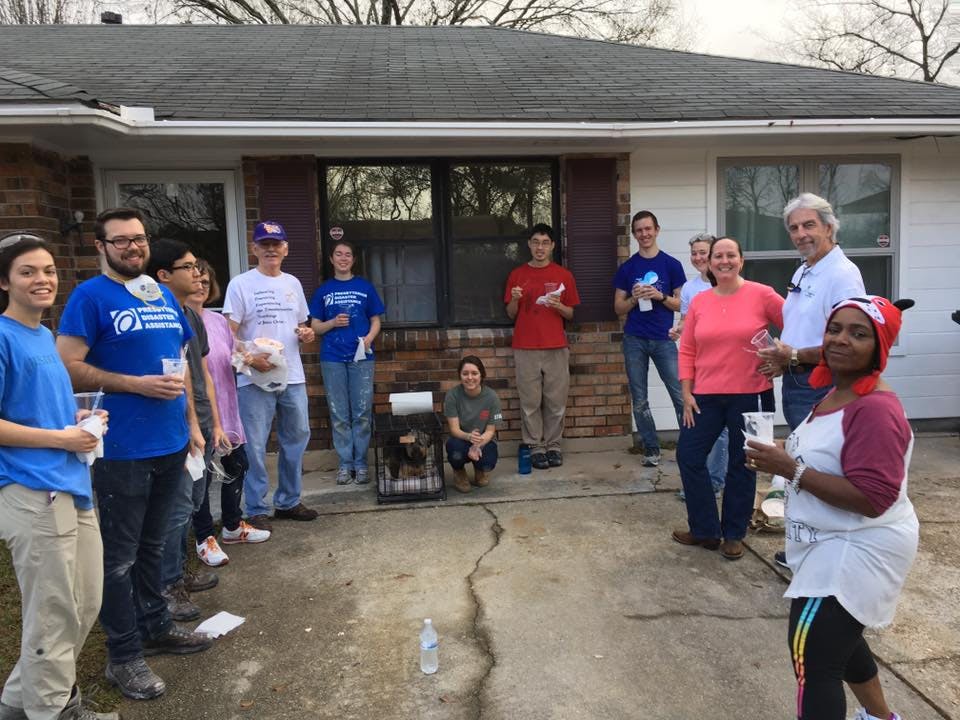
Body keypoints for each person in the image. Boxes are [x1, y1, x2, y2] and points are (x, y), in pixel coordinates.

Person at [56, 208, 212, 702]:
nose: (133, 248)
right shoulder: (88, 298)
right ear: (101, 246)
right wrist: (133, 385)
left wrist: (191, 424)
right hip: (121, 448)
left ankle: (156, 626)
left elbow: (181, 364)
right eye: (121, 241)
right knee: (118, 558)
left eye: (139, 239)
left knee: (154, 546)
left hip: (170, 442)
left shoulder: (162, 293)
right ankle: (122, 656)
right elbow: (69, 366)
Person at [746, 296, 917, 720]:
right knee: (841, 641)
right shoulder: (838, 393)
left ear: (880, 348)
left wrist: (792, 469)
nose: (841, 339)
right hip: (829, 544)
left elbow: (874, 499)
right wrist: (784, 453)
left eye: (859, 333)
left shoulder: (875, 409)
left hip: (855, 547)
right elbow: (828, 454)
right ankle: (881, 718)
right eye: (835, 329)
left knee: (814, 658)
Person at [0, 233, 115, 720]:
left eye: (48, 270)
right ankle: (55, 710)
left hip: (70, 483)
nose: (42, 279)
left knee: (85, 601)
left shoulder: (43, 336)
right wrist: (61, 439)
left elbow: (38, 409)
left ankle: (14, 705)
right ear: (5, 281)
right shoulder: (3, 336)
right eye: (28, 271)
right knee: (53, 613)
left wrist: (80, 422)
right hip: (31, 489)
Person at [672, 236, 784, 561]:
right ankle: (705, 529)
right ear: (709, 262)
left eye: (730, 255)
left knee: (744, 463)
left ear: (741, 260)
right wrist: (686, 391)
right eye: (717, 256)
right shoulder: (701, 302)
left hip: (753, 395)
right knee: (689, 455)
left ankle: (734, 533)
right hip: (705, 395)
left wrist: (783, 357)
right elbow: (689, 348)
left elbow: (797, 324)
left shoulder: (762, 294)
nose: (724, 261)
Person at [147, 239, 227, 625]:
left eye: (198, 266)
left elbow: (203, 373)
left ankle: (180, 573)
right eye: (190, 267)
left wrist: (214, 420)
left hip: (201, 421)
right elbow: (172, 376)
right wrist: (191, 424)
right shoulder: (155, 316)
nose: (199, 274)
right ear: (163, 275)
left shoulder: (190, 316)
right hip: (178, 425)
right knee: (176, 508)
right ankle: (168, 587)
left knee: (194, 500)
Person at [222, 220, 318, 529]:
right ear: (254, 249)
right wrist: (248, 361)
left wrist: (306, 333)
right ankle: (256, 508)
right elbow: (227, 334)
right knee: (255, 444)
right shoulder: (240, 284)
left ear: (286, 249)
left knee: (297, 436)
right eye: (265, 244)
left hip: (291, 375)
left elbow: (304, 324)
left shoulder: (293, 283)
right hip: (254, 378)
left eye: (276, 244)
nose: (271, 249)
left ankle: (289, 501)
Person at [758, 193, 865, 430]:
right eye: (794, 228)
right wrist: (783, 361)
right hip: (796, 381)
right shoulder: (804, 270)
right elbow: (805, 328)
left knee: (817, 460)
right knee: (803, 454)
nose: (800, 234)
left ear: (828, 228)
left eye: (809, 225)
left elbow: (848, 345)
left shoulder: (842, 276)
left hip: (824, 385)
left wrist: (794, 356)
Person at [189, 259, 270, 548]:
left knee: (237, 463)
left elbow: (232, 355)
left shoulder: (217, 320)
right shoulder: (179, 322)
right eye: (195, 280)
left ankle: (233, 526)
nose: (200, 286)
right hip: (199, 411)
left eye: (206, 282)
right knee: (203, 477)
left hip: (227, 404)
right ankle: (203, 537)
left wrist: (249, 358)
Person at [504, 223, 580, 470]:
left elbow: (571, 314)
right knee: (530, 402)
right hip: (525, 346)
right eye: (536, 242)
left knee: (556, 401)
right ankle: (535, 446)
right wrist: (515, 299)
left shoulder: (563, 275)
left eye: (545, 242)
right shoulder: (517, 274)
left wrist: (557, 305)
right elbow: (510, 314)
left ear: (552, 246)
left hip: (556, 345)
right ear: (529, 244)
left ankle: (554, 446)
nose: (540, 247)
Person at [613, 210, 686, 468]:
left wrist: (659, 296)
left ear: (657, 230)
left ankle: (688, 447)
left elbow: (681, 305)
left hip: (664, 339)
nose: (644, 234)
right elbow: (618, 308)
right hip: (635, 339)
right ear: (634, 234)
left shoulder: (671, 265)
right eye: (639, 230)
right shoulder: (628, 268)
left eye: (648, 229)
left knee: (679, 394)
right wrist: (634, 298)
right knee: (640, 397)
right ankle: (651, 449)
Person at [309, 241, 384, 485]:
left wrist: (370, 338)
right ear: (331, 259)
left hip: (361, 357)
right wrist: (332, 323)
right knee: (339, 414)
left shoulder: (364, 287)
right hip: (332, 358)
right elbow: (315, 327)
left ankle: (361, 464)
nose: (343, 258)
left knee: (362, 413)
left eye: (348, 255)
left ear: (353, 260)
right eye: (338, 254)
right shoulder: (324, 290)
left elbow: (376, 319)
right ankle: (345, 465)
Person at [670, 232, 727, 499]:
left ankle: (715, 480)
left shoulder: (729, 285)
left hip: (723, 368)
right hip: (696, 366)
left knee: (720, 429)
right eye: (694, 253)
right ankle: (698, 481)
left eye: (703, 252)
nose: (698, 258)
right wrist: (677, 331)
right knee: (695, 422)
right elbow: (685, 321)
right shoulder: (691, 288)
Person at [443, 355, 503, 493]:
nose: (470, 378)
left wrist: (478, 444)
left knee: (488, 461)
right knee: (454, 449)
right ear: (460, 376)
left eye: (474, 373)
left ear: (482, 375)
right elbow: (454, 429)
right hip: (462, 438)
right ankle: (459, 472)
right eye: (465, 374)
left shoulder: (492, 397)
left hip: (483, 440)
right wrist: (469, 437)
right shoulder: (452, 395)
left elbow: (490, 431)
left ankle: (480, 470)